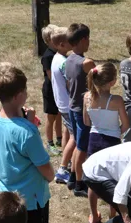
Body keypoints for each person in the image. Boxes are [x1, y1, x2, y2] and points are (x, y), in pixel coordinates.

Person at [0, 63, 54, 223]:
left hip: (7, 196)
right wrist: (30, 125)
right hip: (32, 201)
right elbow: (46, 170)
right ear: (19, 96)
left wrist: (27, 122)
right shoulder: (28, 132)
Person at [83, 63, 129, 223]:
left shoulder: (87, 97)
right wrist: (117, 131)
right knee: (113, 182)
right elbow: (126, 124)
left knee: (93, 179)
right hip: (112, 143)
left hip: (93, 140)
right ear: (112, 82)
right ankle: (112, 216)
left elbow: (86, 121)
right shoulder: (116, 100)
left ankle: (93, 215)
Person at [64, 23, 96, 198]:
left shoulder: (68, 59)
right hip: (82, 110)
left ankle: (71, 177)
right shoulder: (86, 63)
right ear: (84, 39)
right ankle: (79, 184)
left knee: (77, 143)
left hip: (71, 106)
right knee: (82, 148)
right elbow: (98, 81)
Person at [50, 27, 75, 184]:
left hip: (62, 104)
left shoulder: (56, 58)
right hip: (68, 105)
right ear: (61, 44)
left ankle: (70, 162)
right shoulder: (64, 63)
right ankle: (62, 169)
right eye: (69, 41)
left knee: (67, 133)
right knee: (76, 138)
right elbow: (70, 83)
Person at [40, 25, 62, 156]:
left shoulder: (58, 54)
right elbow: (50, 75)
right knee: (51, 116)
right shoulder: (48, 56)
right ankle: (49, 142)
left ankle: (59, 138)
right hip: (50, 90)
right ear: (50, 39)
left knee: (59, 114)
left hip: (58, 89)